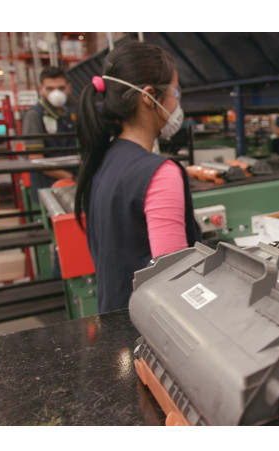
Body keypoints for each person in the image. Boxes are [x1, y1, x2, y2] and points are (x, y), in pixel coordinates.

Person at [75, 41, 202, 314]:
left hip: (114, 317)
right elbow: (173, 281)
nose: (177, 102)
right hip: (147, 327)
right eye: (175, 92)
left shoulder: (103, 158)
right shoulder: (160, 173)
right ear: (149, 95)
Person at [22, 66, 78, 205]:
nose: (56, 93)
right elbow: (36, 159)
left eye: (61, 88)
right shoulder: (35, 115)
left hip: (70, 186)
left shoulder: (69, 113)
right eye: (50, 89)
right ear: (40, 89)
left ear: (69, 88)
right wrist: (71, 177)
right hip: (49, 190)